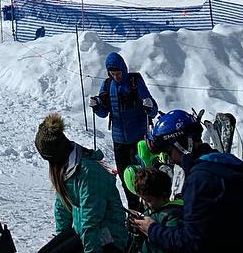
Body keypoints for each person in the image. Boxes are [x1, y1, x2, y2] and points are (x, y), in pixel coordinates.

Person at [128, 108, 243, 252]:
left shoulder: (201, 179)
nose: (171, 159)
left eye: (169, 152)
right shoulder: (231, 164)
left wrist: (151, 229)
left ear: (183, 144)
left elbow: (191, 242)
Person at [34, 112, 128, 253]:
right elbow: (62, 207)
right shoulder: (67, 168)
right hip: (84, 233)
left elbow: (90, 220)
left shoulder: (88, 172)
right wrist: (61, 238)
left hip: (109, 238)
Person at [91, 51, 158, 211]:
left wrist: (149, 106)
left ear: (124, 70)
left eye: (118, 73)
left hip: (138, 140)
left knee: (143, 176)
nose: (116, 77)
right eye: (113, 74)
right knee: (125, 176)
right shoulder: (107, 85)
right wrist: (97, 106)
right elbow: (103, 112)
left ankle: (148, 208)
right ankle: (134, 209)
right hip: (119, 140)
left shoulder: (135, 82)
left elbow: (153, 110)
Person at [126, 165, 182, 253]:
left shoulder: (174, 215)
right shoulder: (152, 211)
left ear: (163, 195)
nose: (145, 204)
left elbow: (172, 245)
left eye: (148, 200)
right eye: (143, 200)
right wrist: (137, 230)